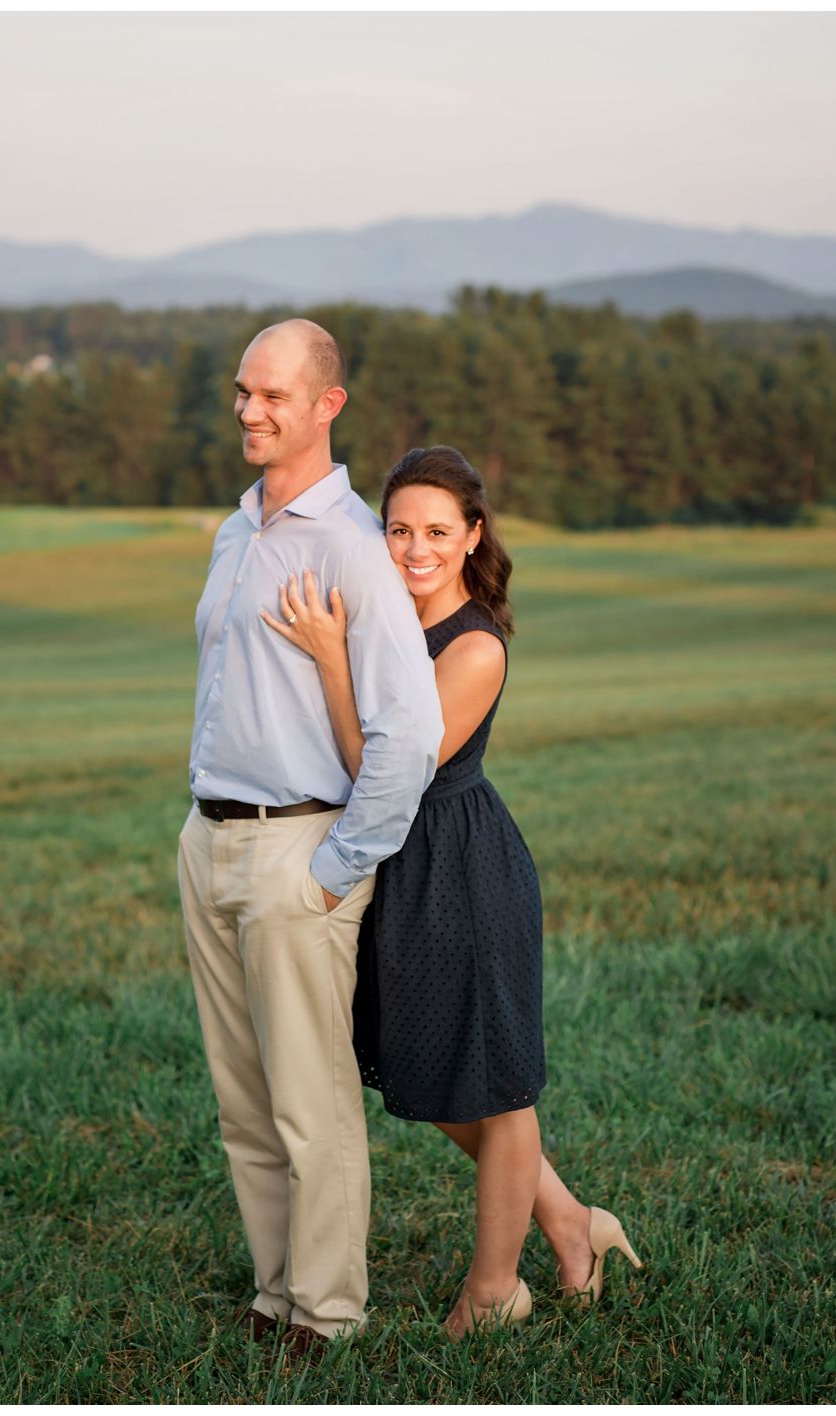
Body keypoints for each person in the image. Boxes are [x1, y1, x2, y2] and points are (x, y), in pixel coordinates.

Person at [262, 445, 646, 1339]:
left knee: (495, 1092)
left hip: (459, 873)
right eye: (396, 529)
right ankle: (570, 1221)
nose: (413, 548)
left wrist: (326, 660)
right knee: (435, 1081)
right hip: (398, 870)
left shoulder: (472, 645)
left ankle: (493, 1289)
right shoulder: (383, 616)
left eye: (437, 530)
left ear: (473, 536)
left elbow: (381, 775)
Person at [179, 320, 445, 1356]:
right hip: (207, 842)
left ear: (325, 406)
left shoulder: (350, 549)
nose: (248, 410)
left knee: (309, 1104)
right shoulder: (233, 530)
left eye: (272, 396)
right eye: (241, 390)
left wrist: (340, 867)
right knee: (243, 1101)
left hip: (299, 850)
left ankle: (327, 1314)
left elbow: (409, 731)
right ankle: (272, 1289)